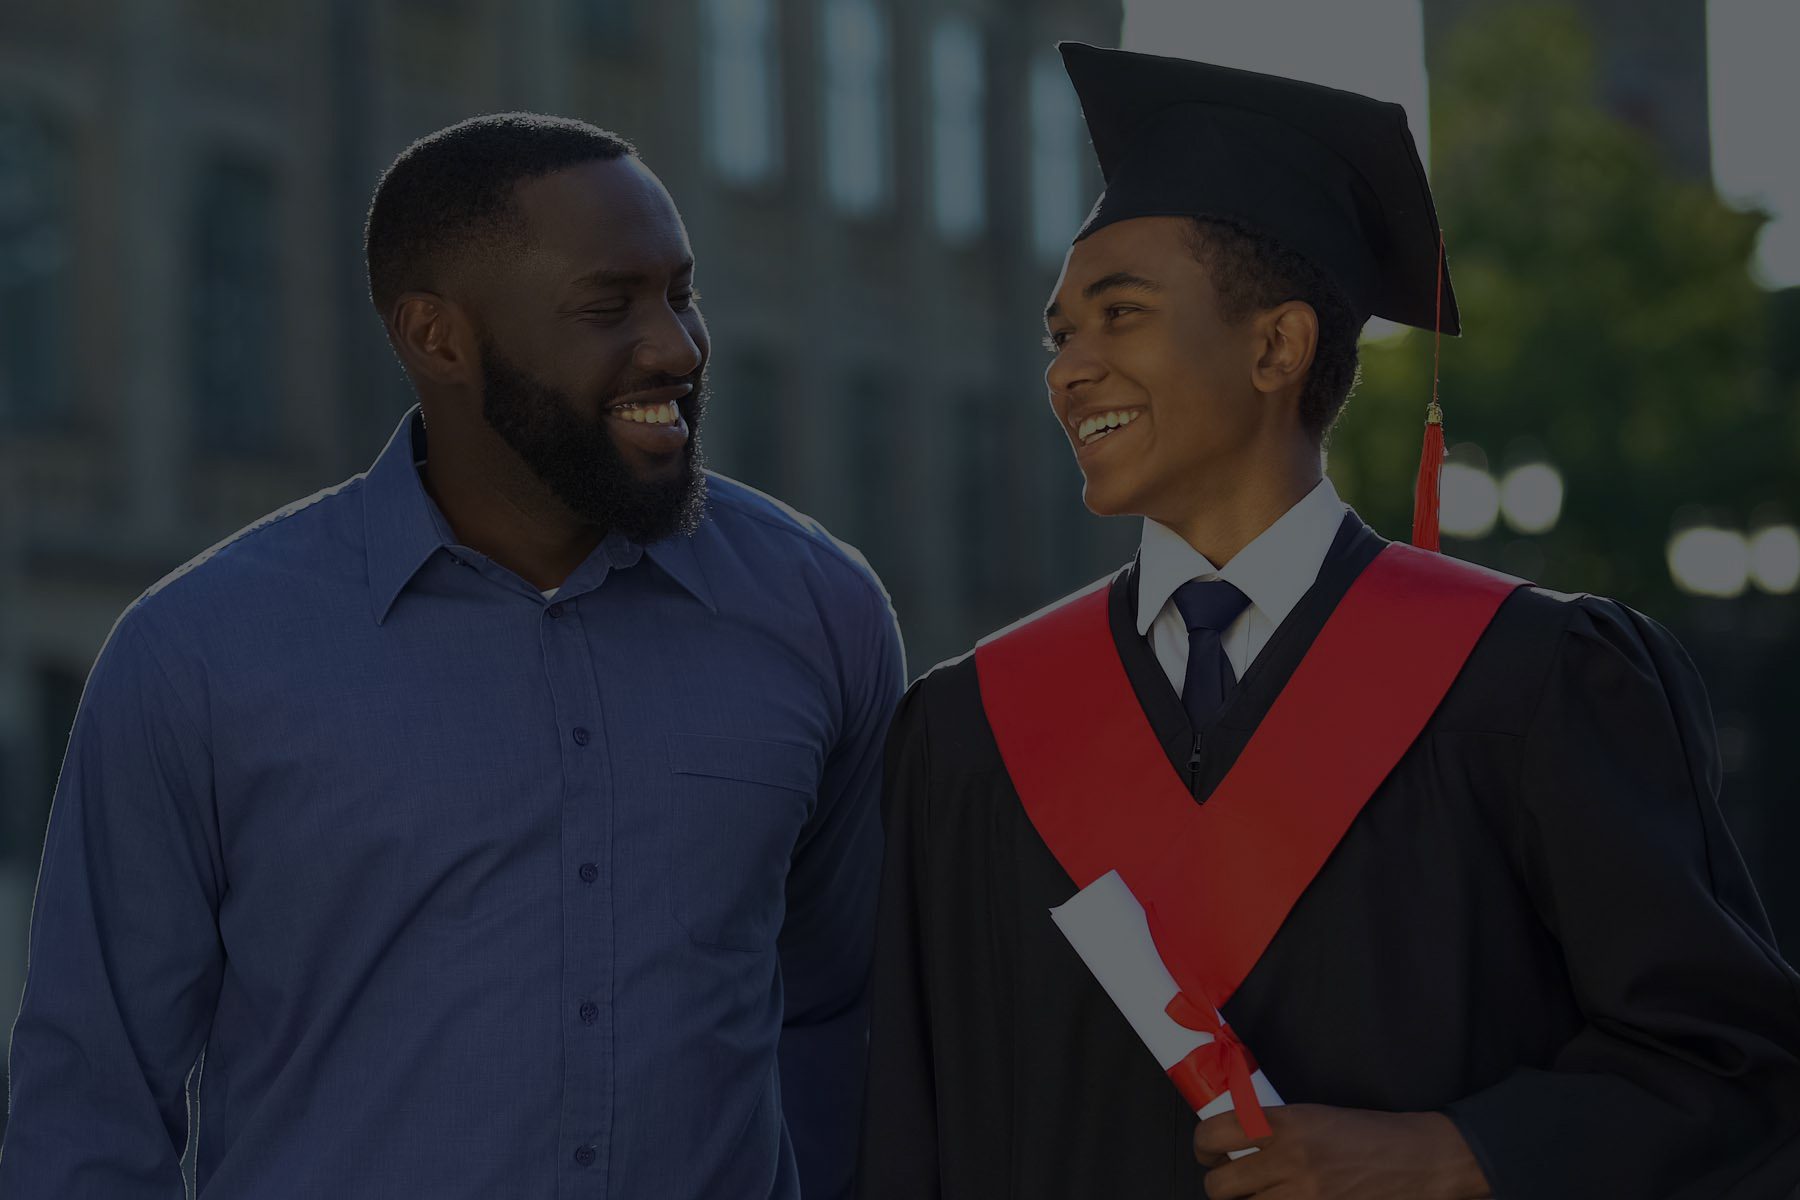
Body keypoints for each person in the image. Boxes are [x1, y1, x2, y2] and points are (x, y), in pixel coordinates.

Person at [855, 43, 1800, 1200]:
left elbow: (1729, 1070)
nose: (1070, 369)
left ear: (1276, 346)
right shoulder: (970, 729)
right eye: (1062, 334)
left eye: (1121, 316)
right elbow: (906, 1126)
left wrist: (1461, 1154)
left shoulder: (1526, 684)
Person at [0, 114, 905, 1199]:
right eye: (608, 306)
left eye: (681, 292)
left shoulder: (819, 610)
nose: (676, 345)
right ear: (438, 338)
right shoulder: (195, 655)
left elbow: (847, 1014)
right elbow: (89, 1108)